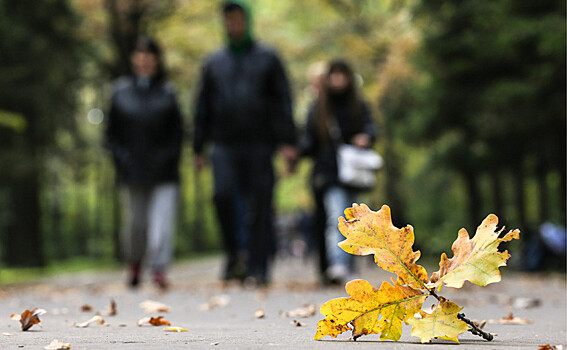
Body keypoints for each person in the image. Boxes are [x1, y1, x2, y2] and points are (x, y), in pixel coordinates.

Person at [193, 1, 297, 286]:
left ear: (246, 20)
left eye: (237, 18)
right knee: (223, 196)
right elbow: (202, 105)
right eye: (228, 19)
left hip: (260, 143)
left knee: (261, 204)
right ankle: (234, 256)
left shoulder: (267, 58)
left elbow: (282, 101)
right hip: (223, 144)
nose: (233, 24)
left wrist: (288, 141)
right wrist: (198, 146)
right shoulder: (214, 62)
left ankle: (259, 266)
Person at [105, 36, 183, 290]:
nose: (145, 60)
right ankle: (135, 263)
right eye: (140, 55)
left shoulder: (168, 92)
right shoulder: (120, 91)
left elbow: (179, 132)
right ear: (133, 59)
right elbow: (111, 134)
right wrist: (121, 159)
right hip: (132, 170)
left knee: (161, 225)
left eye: (150, 55)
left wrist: (169, 157)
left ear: (157, 60)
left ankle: (159, 268)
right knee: (136, 225)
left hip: (164, 172)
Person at [301, 59, 376, 285]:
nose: (338, 80)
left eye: (342, 75)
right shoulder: (319, 108)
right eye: (334, 75)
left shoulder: (359, 106)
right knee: (336, 218)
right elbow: (308, 140)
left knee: (352, 221)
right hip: (328, 173)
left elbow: (372, 127)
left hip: (353, 174)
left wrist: (366, 138)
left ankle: (347, 265)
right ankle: (338, 265)